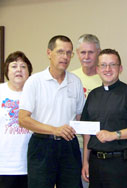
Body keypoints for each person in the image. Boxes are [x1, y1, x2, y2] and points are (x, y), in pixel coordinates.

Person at [18, 35, 85, 188]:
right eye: (60, 52)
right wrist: (55, 130)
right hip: (42, 146)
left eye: (69, 53)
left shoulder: (75, 81)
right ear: (49, 53)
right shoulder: (34, 81)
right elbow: (23, 119)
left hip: (69, 146)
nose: (65, 57)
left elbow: (79, 116)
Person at [81, 48, 127, 188]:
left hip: (121, 165)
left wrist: (115, 135)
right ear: (97, 69)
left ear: (120, 68)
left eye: (113, 64)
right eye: (103, 65)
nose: (108, 69)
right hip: (95, 163)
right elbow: (87, 131)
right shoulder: (93, 96)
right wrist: (85, 162)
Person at [72, 34, 102, 187]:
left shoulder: (105, 77)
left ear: (98, 52)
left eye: (91, 52)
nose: (86, 56)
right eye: (83, 52)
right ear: (77, 54)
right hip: (73, 145)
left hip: (97, 146)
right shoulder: (70, 78)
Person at [0, 51, 33, 188]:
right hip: (3, 165)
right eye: (14, 66)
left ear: (29, 72)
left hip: (30, 164)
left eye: (23, 66)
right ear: (7, 70)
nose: (19, 69)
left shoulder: (35, 93)